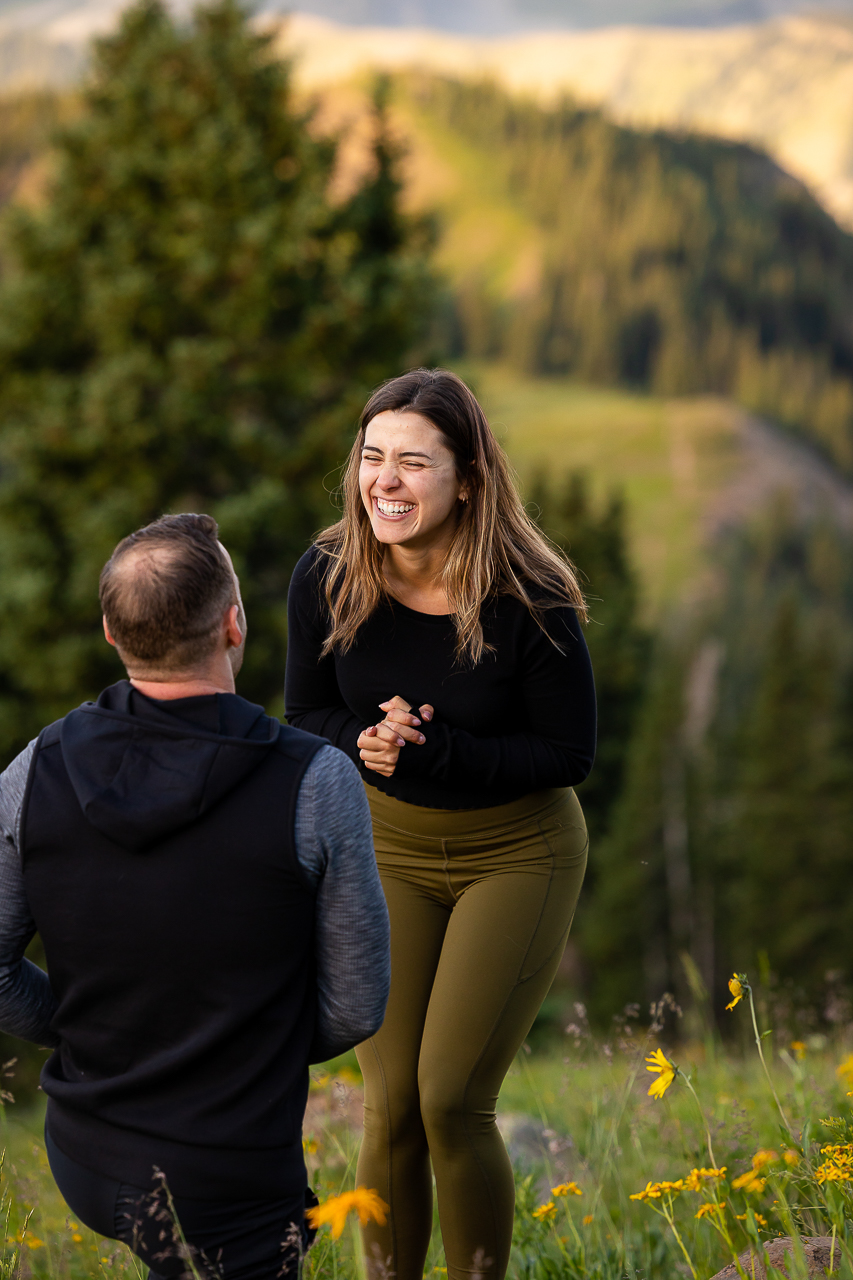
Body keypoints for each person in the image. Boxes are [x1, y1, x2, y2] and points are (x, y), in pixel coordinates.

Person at [0, 512, 390, 1280]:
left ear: (110, 632)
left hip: (87, 1154)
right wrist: (250, 1046)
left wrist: (90, 1032)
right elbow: (355, 1003)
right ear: (233, 625)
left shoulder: (32, 770)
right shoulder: (314, 780)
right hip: (233, 1173)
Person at [285, 368, 596, 1280]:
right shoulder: (327, 573)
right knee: (387, 1108)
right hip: (386, 847)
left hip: (518, 853)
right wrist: (369, 743)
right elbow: (306, 718)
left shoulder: (528, 594)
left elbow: (567, 754)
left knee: (450, 1099)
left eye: (412, 463)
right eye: (372, 457)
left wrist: (438, 753)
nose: (384, 479)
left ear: (466, 479)